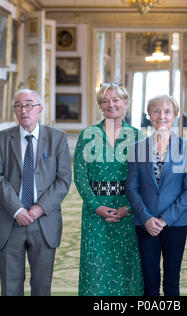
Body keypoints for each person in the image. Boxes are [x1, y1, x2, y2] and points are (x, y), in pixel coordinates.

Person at [0, 89, 71, 296]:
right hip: (9, 219)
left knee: (42, 287)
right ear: (14, 111)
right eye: (18, 106)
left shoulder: (57, 138)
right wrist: (17, 209)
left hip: (44, 222)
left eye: (29, 105)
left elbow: (63, 180)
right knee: (10, 286)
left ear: (40, 109)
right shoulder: (0, 139)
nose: (24, 110)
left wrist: (38, 209)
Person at [74, 82, 143, 296]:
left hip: (128, 211)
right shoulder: (88, 135)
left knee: (127, 266)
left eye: (116, 100)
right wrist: (96, 206)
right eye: (105, 101)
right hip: (95, 213)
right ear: (100, 106)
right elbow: (80, 176)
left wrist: (128, 208)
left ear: (126, 103)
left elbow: (145, 180)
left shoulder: (137, 136)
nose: (110, 104)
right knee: (95, 268)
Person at [127, 95, 187, 296]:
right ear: (149, 115)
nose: (162, 116)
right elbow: (132, 188)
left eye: (167, 111)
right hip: (145, 224)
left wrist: (165, 219)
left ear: (175, 116)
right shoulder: (138, 148)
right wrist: (147, 218)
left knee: (171, 281)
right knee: (149, 283)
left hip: (176, 223)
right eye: (156, 111)